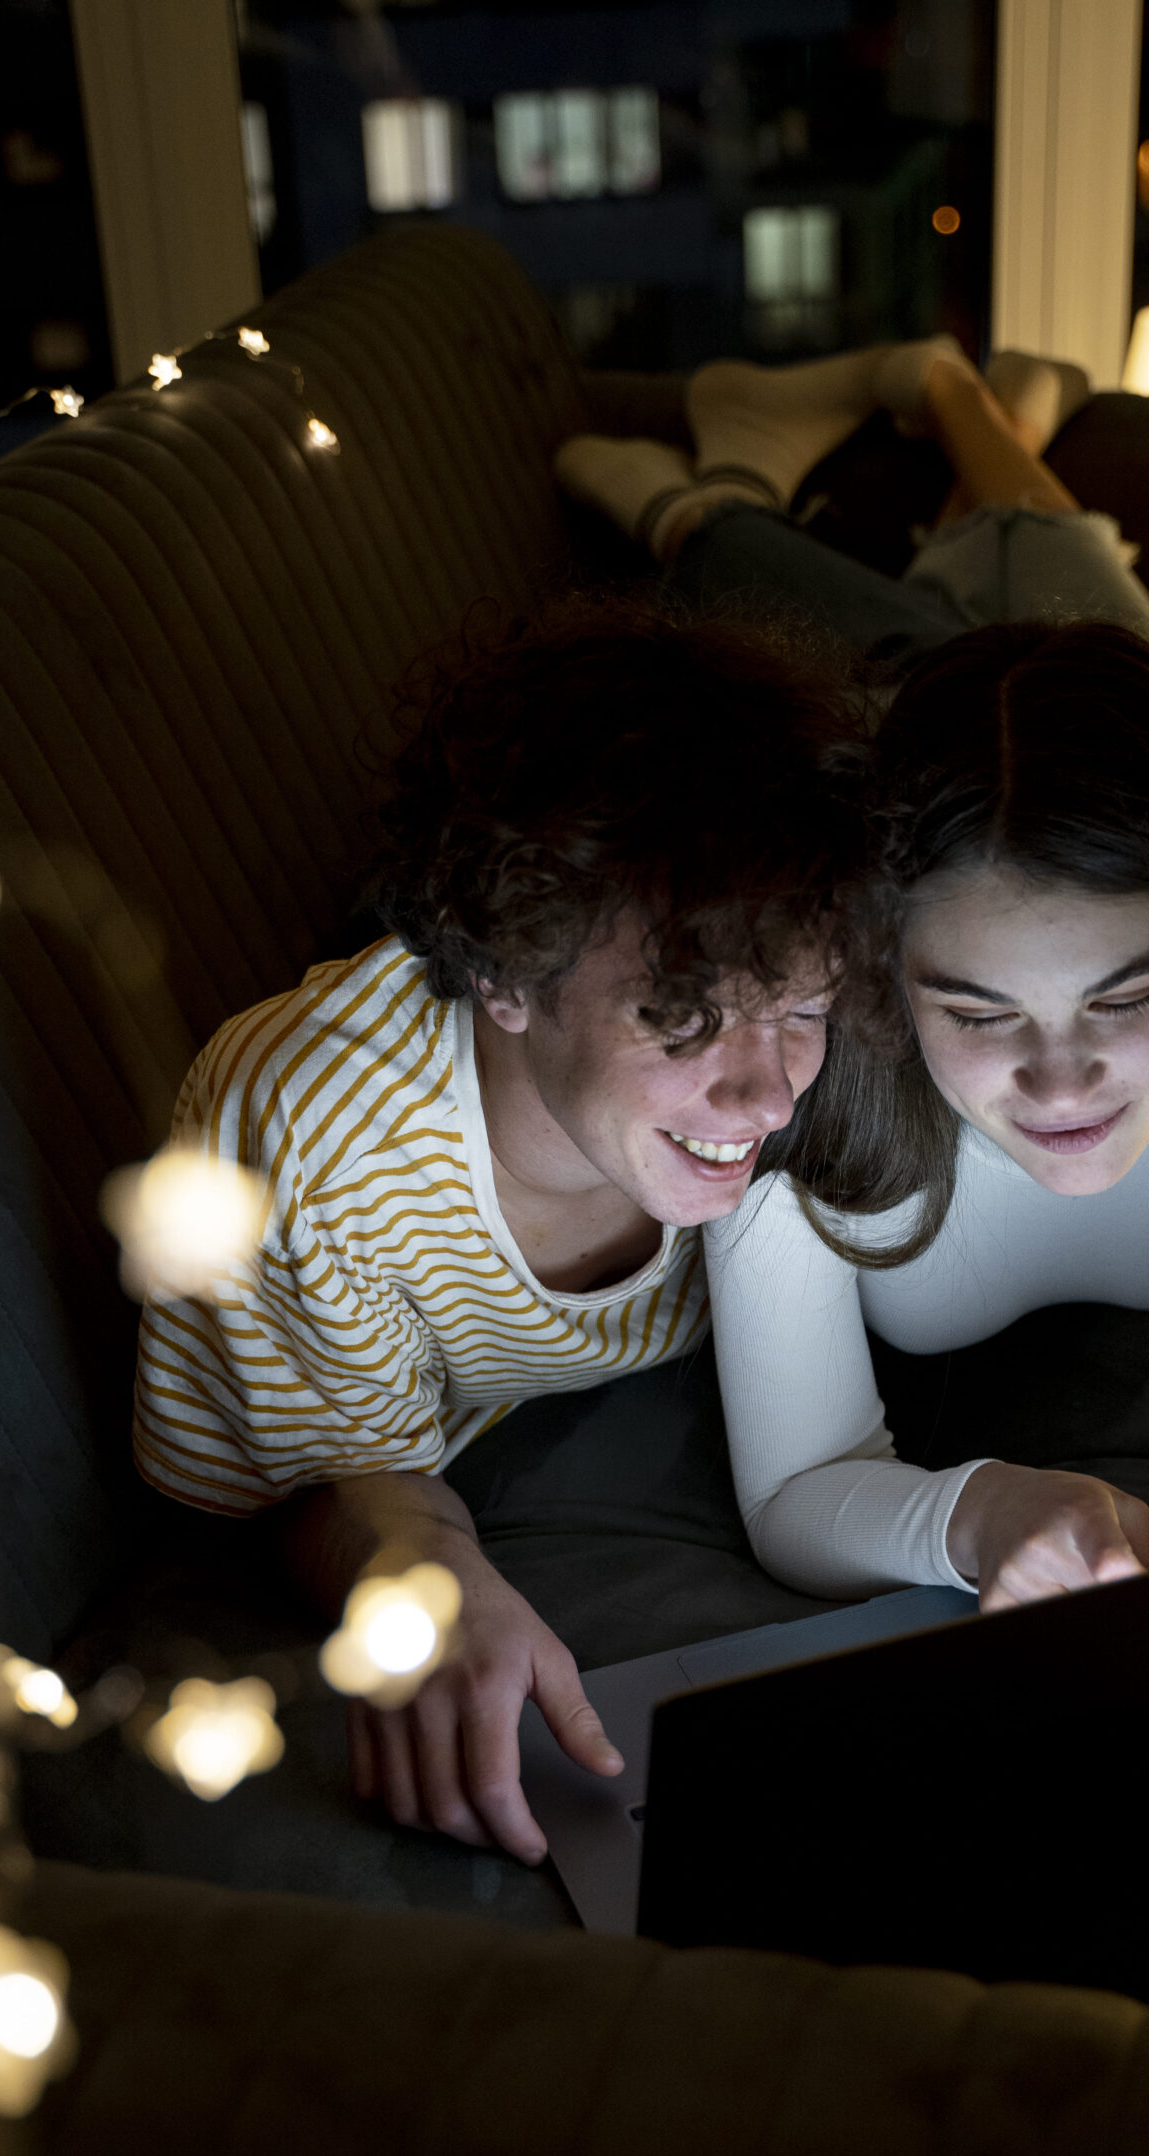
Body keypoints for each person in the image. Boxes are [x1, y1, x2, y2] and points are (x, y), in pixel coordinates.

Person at [558, 344, 1149, 1606]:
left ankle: (975, 408)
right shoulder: (804, 1044)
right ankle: (712, 491)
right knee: (820, 595)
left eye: (1128, 997)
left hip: (1100, 743)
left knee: (1058, 575)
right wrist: (971, 1517)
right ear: (881, 974)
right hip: (903, 727)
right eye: (977, 1009)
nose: (1060, 1076)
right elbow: (797, 1489)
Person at [132, 594, 892, 1860]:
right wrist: (424, 1570)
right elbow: (317, 1475)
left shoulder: (840, 1044)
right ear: (501, 970)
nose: (768, 1093)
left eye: (802, 1008)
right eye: (686, 1017)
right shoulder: (317, 1138)